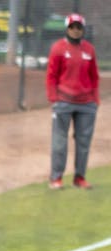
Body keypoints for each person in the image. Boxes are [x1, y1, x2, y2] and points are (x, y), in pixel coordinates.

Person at [46, 12, 100, 190]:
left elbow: (94, 76)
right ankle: (56, 178)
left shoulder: (89, 50)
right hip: (63, 102)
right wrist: (54, 98)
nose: (75, 31)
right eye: (72, 27)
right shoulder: (58, 48)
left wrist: (95, 100)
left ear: (83, 29)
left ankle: (80, 178)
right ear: (67, 28)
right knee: (59, 142)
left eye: (78, 28)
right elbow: (51, 76)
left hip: (86, 104)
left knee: (84, 142)